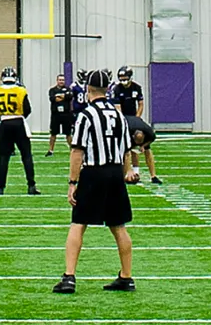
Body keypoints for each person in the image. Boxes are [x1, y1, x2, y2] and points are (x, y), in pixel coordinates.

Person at [53, 69, 134, 293]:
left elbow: (77, 151)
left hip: (93, 173)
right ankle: (126, 276)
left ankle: (69, 276)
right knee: (119, 226)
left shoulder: (86, 115)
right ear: (108, 90)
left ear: (88, 90)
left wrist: (72, 183)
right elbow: (127, 150)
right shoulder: (119, 116)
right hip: (115, 172)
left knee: (78, 224)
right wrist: (126, 172)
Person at [0, 67, 38, 195]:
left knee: (3, 158)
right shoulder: (21, 90)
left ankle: (0, 188)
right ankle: (31, 185)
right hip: (18, 122)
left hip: (4, 123)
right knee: (26, 155)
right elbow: (27, 109)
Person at [47, 74, 74, 154]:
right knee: (53, 133)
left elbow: (70, 97)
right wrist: (63, 97)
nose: (61, 81)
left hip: (66, 114)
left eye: (63, 80)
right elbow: (52, 99)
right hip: (56, 114)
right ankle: (51, 150)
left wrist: (61, 97)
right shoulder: (52, 90)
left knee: (68, 133)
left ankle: (72, 149)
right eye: (60, 80)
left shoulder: (68, 89)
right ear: (57, 81)